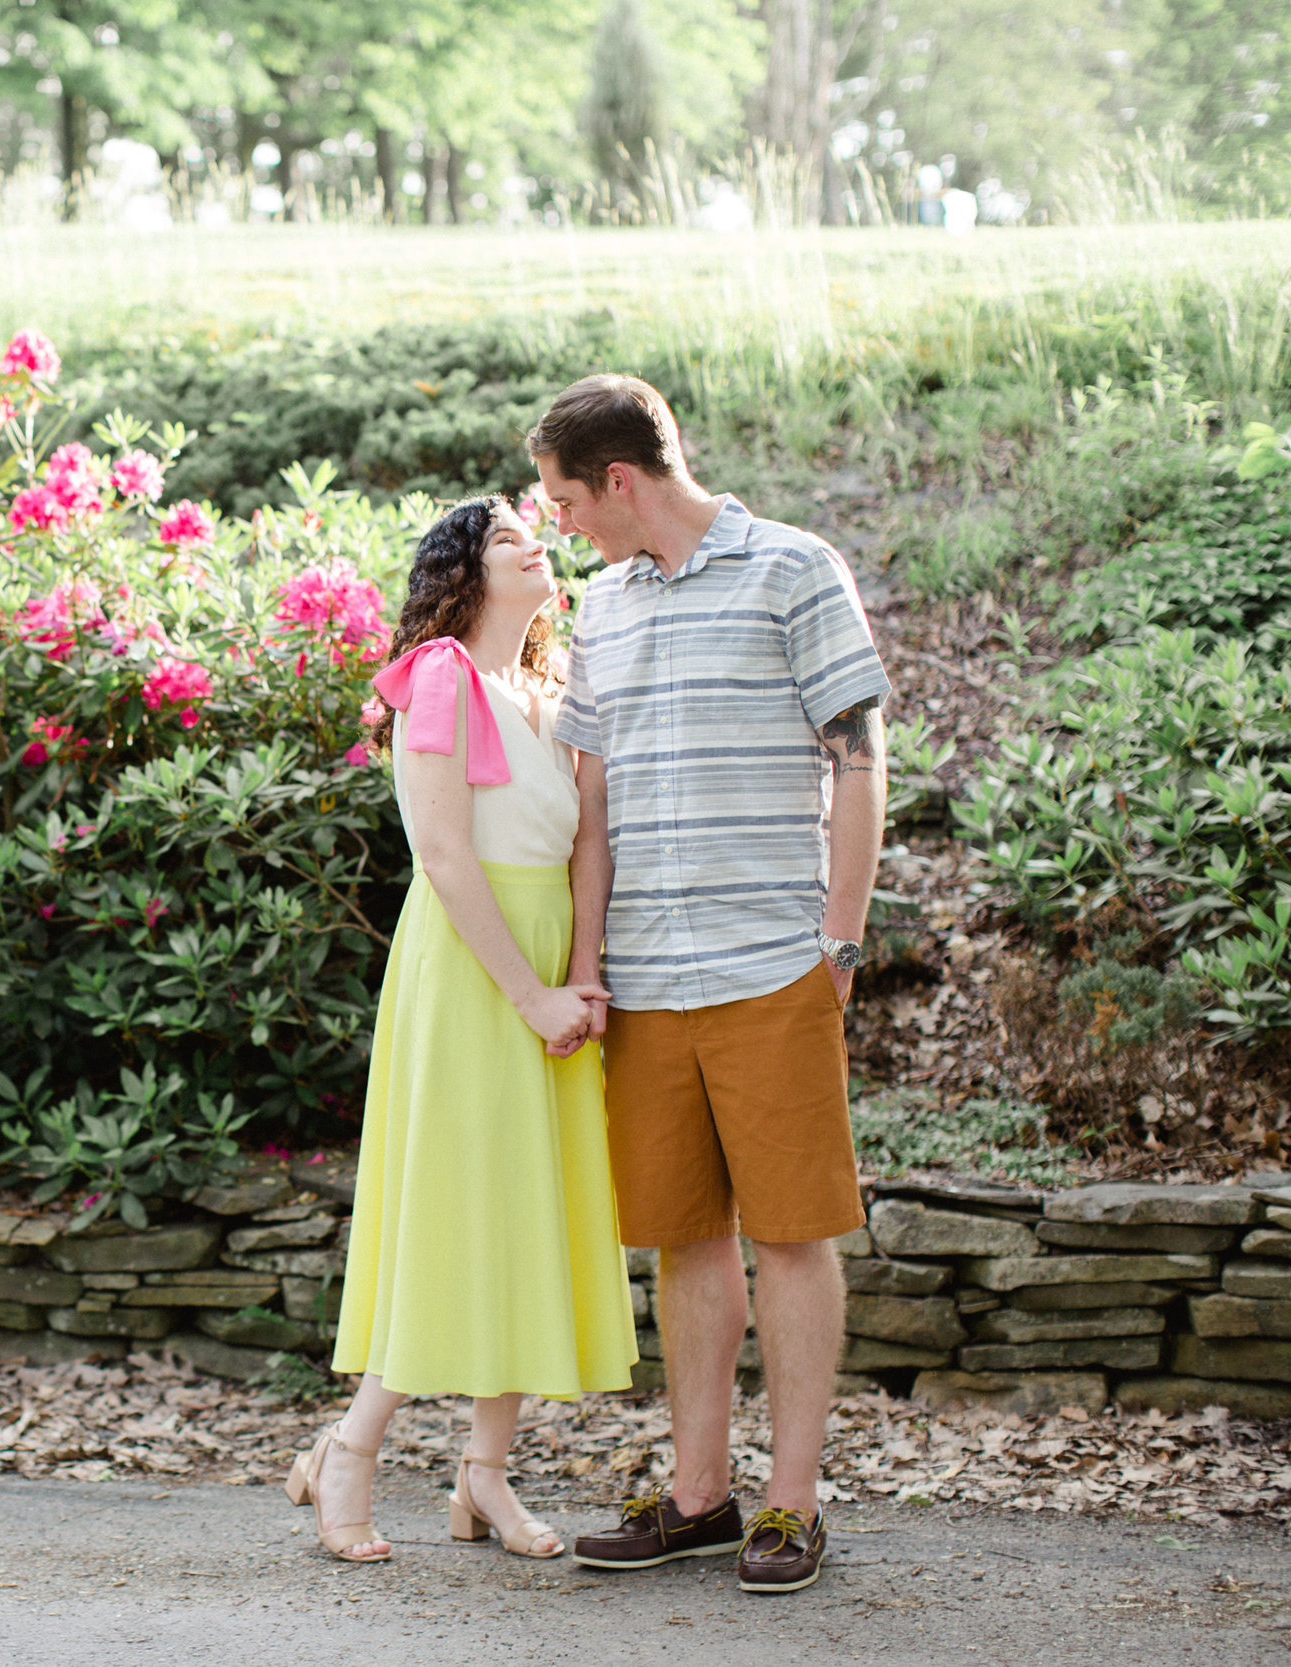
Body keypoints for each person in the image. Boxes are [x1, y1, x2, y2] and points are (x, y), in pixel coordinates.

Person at [532, 374, 889, 1596]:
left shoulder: (794, 568)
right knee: (684, 1238)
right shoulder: (602, 606)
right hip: (644, 977)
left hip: (768, 963)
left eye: (566, 498)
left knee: (789, 1234)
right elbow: (591, 803)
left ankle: (788, 1506)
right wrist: (586, 966)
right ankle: (696, 1496)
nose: (559, 520)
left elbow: (857, 760)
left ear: (620, 481)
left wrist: (837, 941)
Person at [283, 495, 638, 1563]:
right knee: (452, 1205)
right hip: (470, 962)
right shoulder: (439, 674)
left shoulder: (555, 681)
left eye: (539, 532)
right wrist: (527, 995)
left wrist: (579, 976)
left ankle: (483, 1474)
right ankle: (349, 1450)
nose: (536, 542)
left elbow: (590, 844)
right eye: (506, 537)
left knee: (530, 1210)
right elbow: (442, 853)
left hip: (549, 961)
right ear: (465, 571)